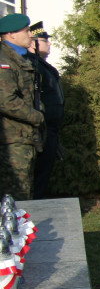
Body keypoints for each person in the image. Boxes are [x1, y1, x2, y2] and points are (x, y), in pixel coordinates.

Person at [0, 13, 45, 201]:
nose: (30, 35)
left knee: (25, 195)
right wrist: (37, 117)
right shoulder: (4, 60)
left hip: (24, 137)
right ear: (11, 34)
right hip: (11, 140)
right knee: (16, 199)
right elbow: (6, 100)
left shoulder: (20, 58)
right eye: (26, 31)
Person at [25, 21, 64, 198]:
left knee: (43, 176)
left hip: (50, 129)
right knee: (37, 178)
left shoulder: (41, 64)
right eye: (45, 40)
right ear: (33, 42)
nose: (49, 43)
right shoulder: (30, 64)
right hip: (40, 129)